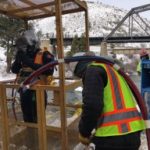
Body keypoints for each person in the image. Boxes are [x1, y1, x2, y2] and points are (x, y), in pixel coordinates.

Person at [73, 53, 145, 150]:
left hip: (112, 137)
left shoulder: (92, 70)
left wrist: (84, 132)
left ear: (80, 68)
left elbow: (92, 106)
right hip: (132, 133)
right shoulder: (111, 69)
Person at [11, 30, 54, 123]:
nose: (24, 48)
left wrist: (27, 61)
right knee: (27, 118)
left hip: (38, 92)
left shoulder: (44, 54)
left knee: (38, 117)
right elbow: (14, 70)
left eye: (25, 46)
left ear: (32, 44)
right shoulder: (23, 55)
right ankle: (30, 135)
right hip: (25, 90)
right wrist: (18, 60)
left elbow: (49, 70)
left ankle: (40, 137)